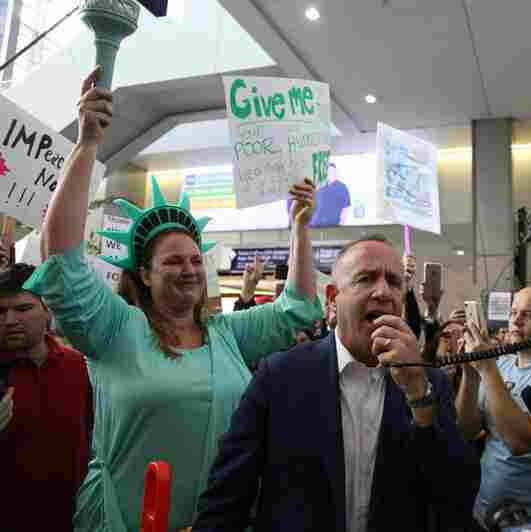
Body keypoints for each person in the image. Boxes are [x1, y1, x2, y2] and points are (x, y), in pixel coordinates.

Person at [24, 67, 323, 532]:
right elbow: (63, 259)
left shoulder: (225, 335)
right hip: (127, 519)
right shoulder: (115, 329)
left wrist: (300, 227)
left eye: (195, 260)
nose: (189, 270)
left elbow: (298, 308)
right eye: (173, 262)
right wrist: (85, 146)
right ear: (143, 274)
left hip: (218, 521)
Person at [193, 234, 480, 532]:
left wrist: (418, 396)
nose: (382, 291)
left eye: (394, 282)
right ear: (332, 298)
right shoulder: (280, 377)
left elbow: (456, 496)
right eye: (366, 279)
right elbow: (226, 498)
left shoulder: (428, 383)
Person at [457, 286, 531, 527]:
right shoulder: (501, 364)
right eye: (513, 313)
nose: (516, 321)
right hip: (487, 509)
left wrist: (487, 368)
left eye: (529, 315)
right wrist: (469, 374)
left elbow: (518, 442)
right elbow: (466, 429)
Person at [0, 263, 93, 532]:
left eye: (23, 309)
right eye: (1, 311)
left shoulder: (81, 367)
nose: (10, 320)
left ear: (47, 309)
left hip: (75, 521)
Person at [287, 161, 351, 227]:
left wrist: (341, 225)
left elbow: (346, 208)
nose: (329, 174)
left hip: (332, 228)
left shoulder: (341, 187)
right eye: (327, 172)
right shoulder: (308, 185)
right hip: (309, 227)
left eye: (332, 172)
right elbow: (291, 207)